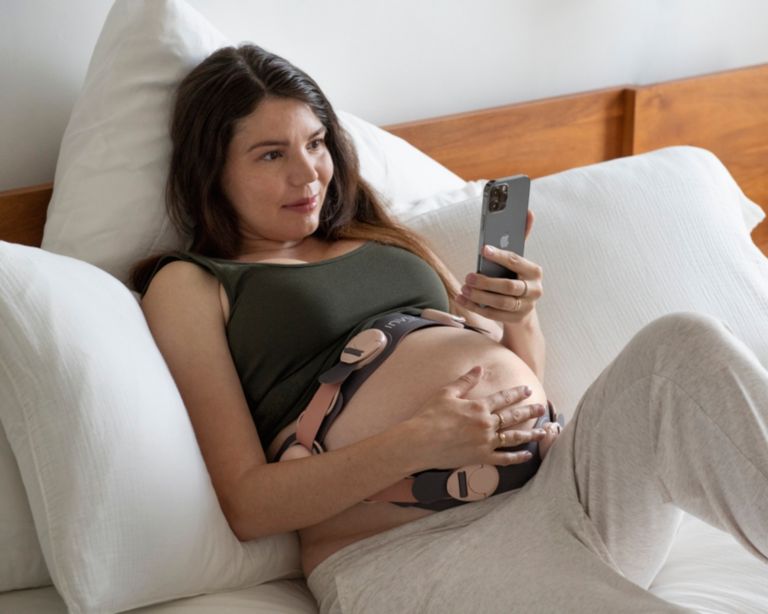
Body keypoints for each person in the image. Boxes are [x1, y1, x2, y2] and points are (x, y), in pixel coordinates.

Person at [136, 45, 768, 613]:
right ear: (212, 170)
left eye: (316, 143)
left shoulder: (383, 239)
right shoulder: (194, 284)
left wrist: (520, 319)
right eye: (272, 154)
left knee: (679, 346)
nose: (308, 174)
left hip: (561, 485)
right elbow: (248, 506)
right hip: (415, 550)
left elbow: (515, 383)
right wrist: (417, 442)